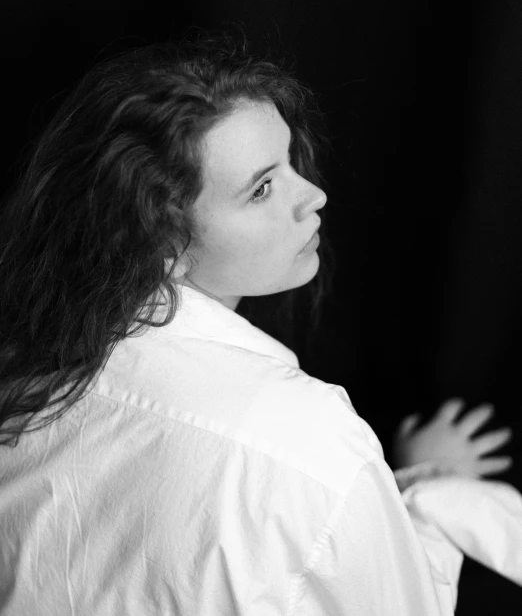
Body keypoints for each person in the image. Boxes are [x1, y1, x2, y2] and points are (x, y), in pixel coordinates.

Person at [0, 31, 516, 615]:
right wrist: (429, 483)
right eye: (262, 188)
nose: (314, 195)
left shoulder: (26, 375)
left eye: (290, 160)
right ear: (161, 240)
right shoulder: (307, 438)